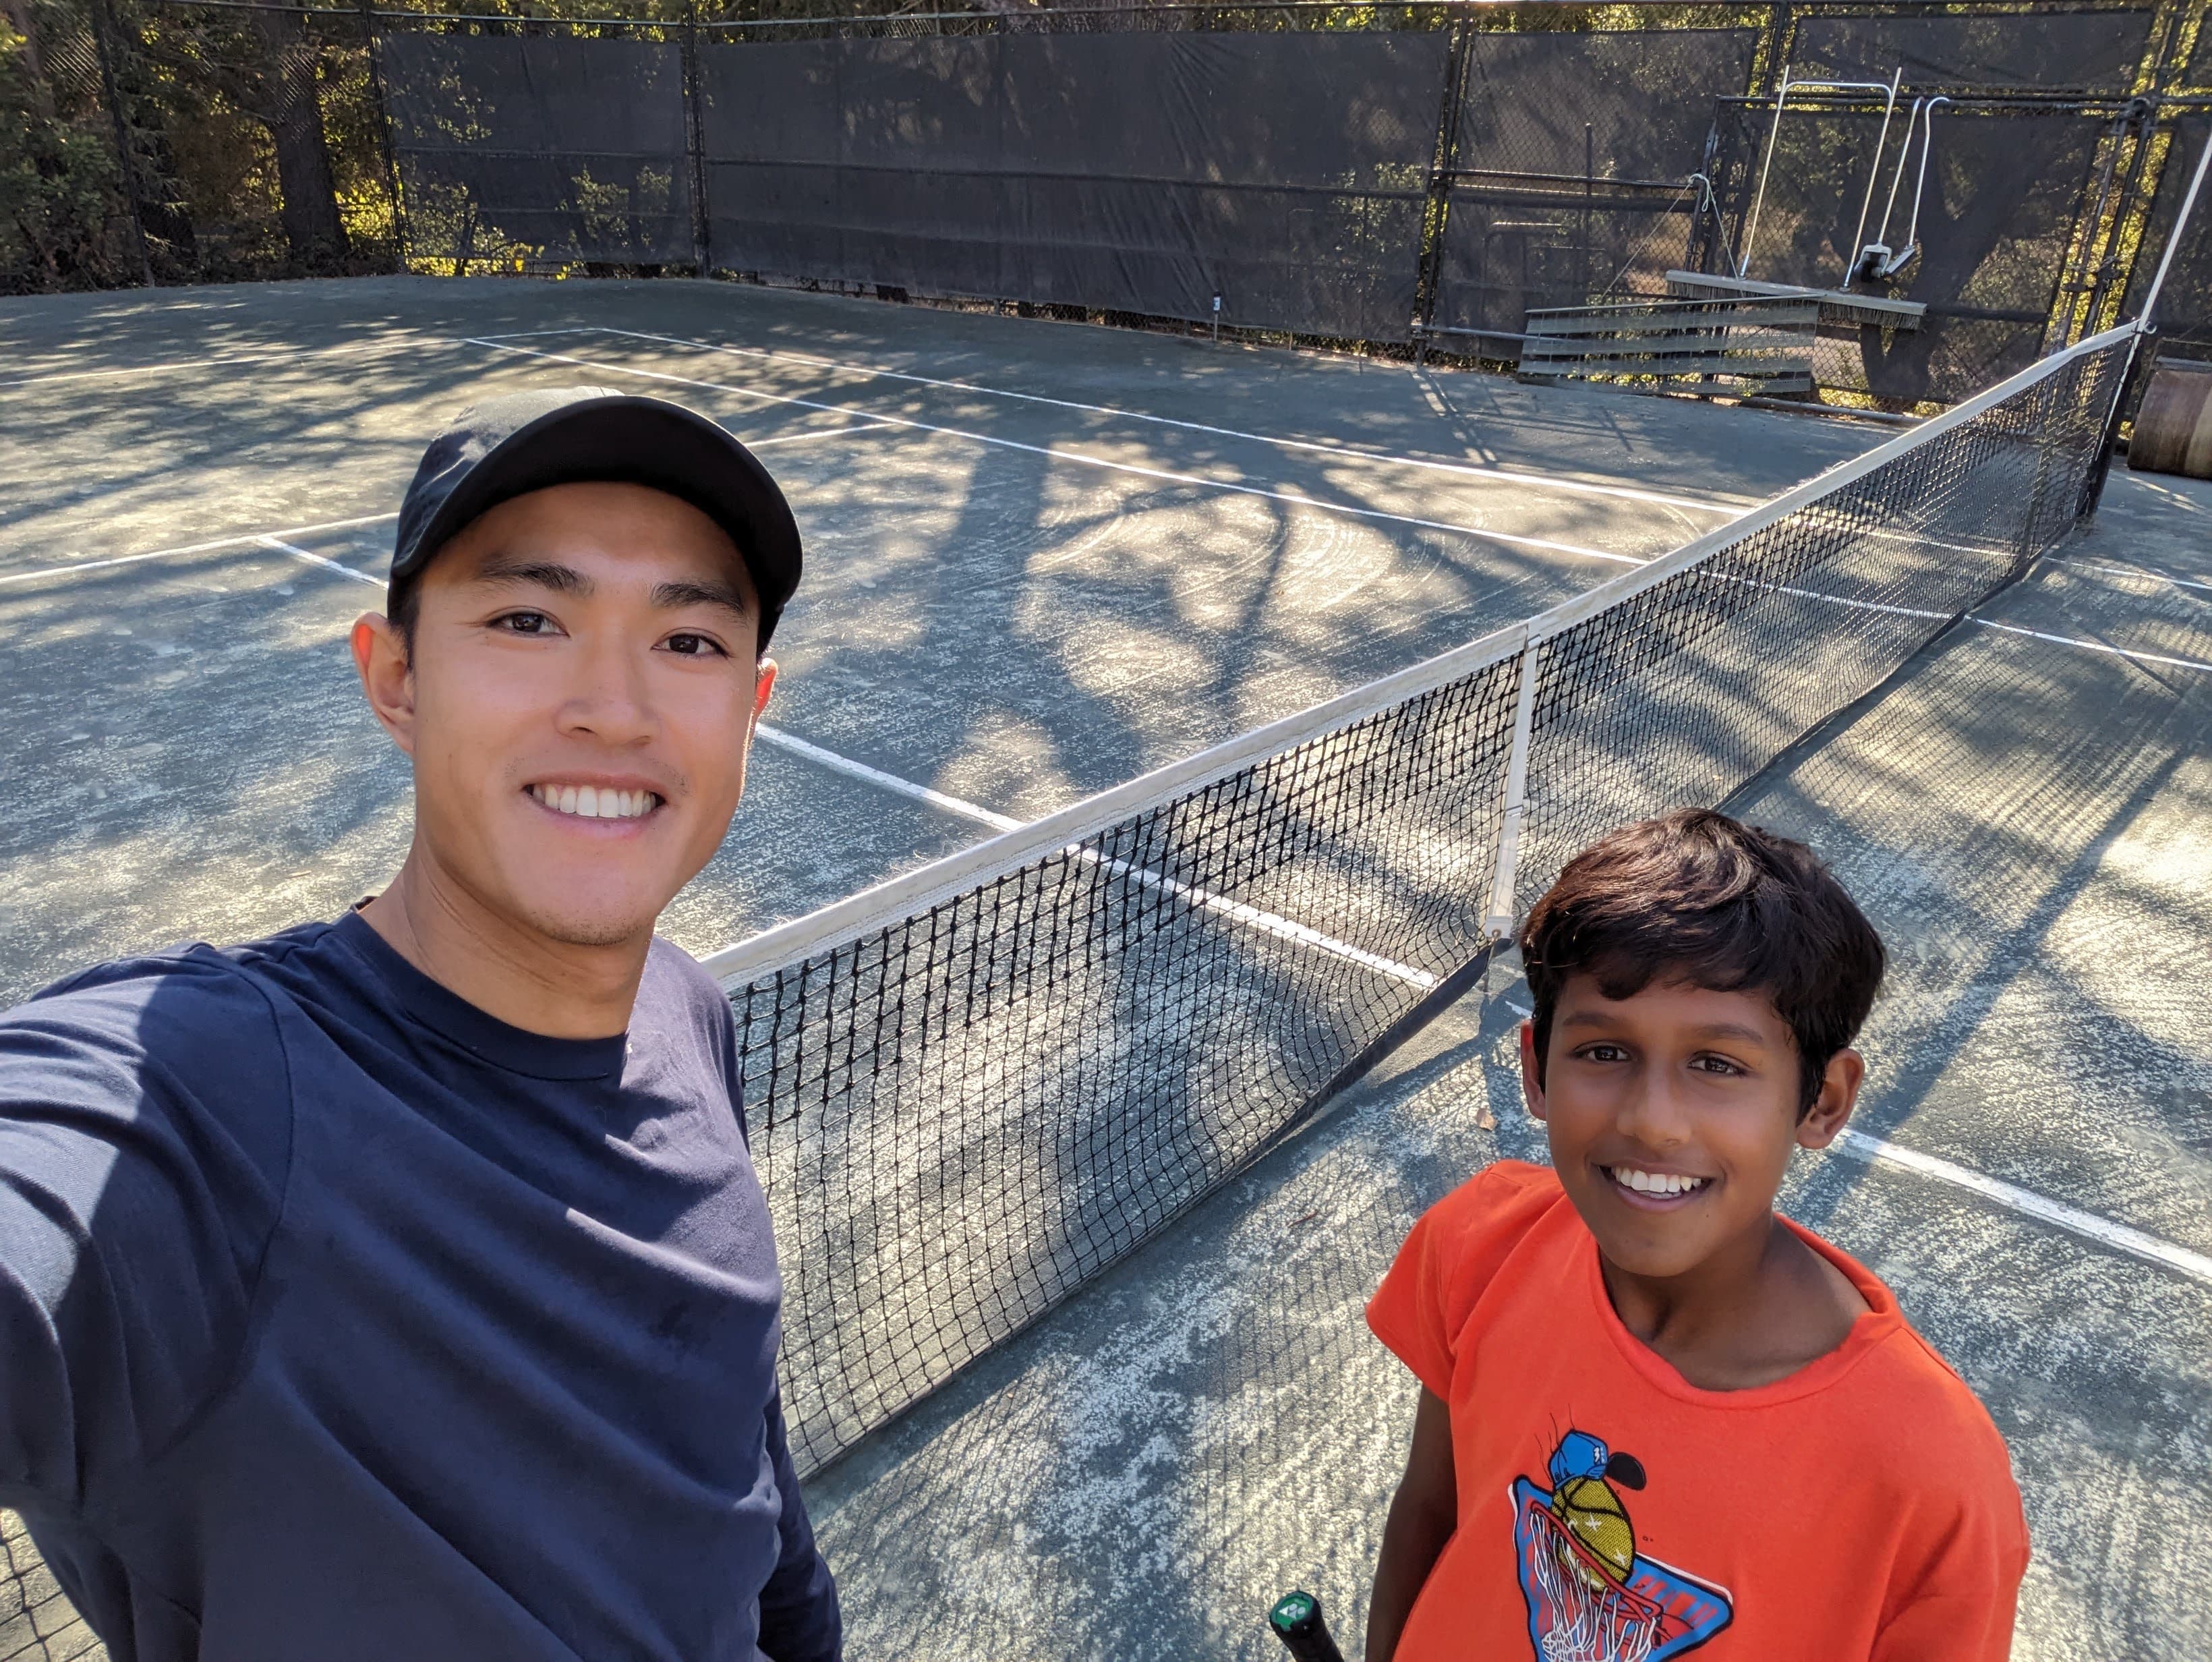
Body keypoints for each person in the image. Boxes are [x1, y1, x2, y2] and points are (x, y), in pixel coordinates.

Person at [0, 387, 841, 1660]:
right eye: (528, 617)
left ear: (754, 703)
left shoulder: (689, 1007)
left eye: (689, 641)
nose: (614, 708)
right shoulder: (206, 1102)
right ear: (396, 679)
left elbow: (743, 1469)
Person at [1363, 809, 2027, 1662]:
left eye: (1717, 1064)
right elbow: (1434, 1506)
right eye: (1603, 1051)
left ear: (1823, 1100)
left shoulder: (1930, 1475)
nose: (1652, 1121)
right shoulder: (1479, 1243)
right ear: (1533, 1068)